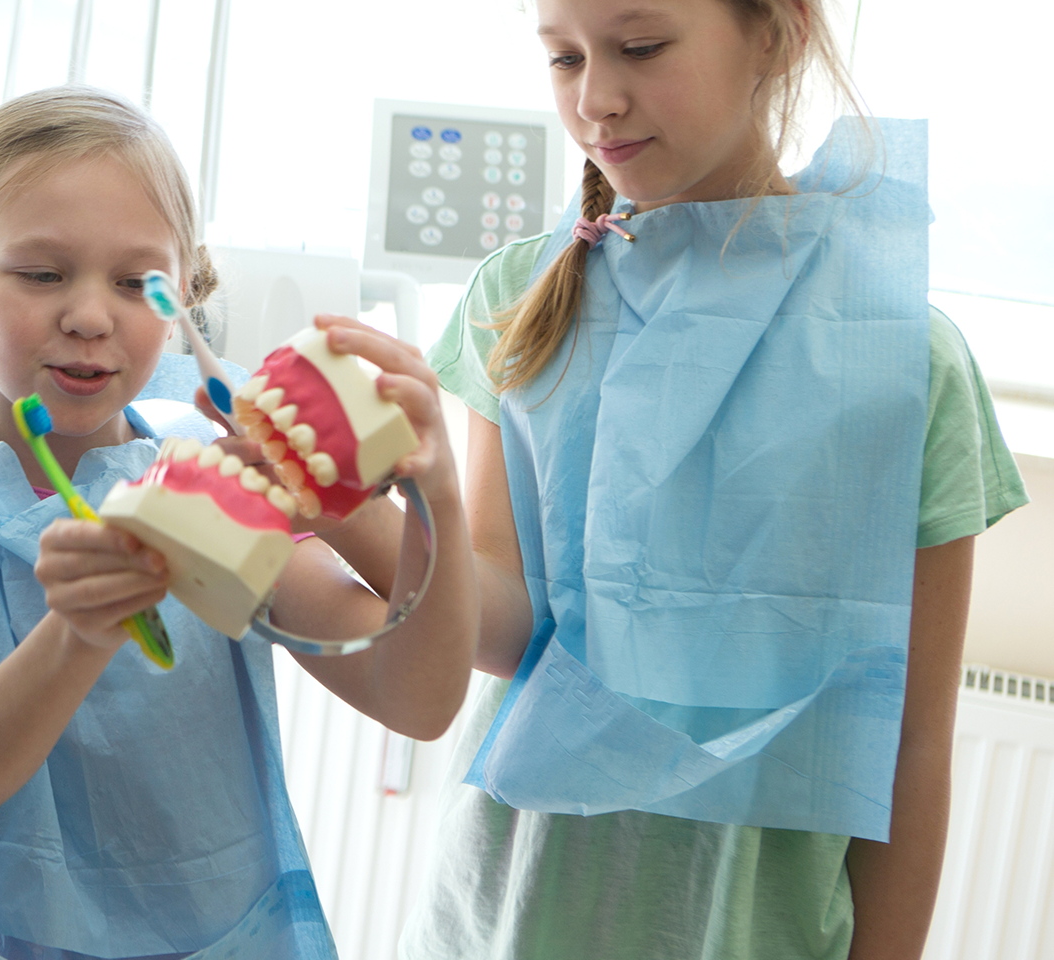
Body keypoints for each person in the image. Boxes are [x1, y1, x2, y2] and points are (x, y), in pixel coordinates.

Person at [395, 1, 1029, 957]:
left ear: (774, 34)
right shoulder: (520, 302)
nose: (596, 100)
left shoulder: (903, 362)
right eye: (564, 59)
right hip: (514, 913)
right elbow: (501, 628)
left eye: (641, 48)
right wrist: (371, 510)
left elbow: (911, 747)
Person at [0, 87, 477, 959]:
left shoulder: (210, 476)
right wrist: (79, 631)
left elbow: (415, 697)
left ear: (184, 292)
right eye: (43, 274)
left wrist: (432, 501)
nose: (90, 315)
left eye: (136, 282)